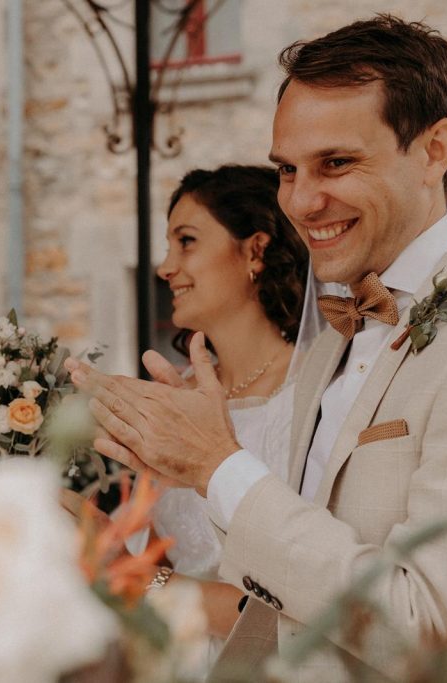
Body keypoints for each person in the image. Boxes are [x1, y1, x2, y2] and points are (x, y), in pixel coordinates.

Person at [68, 15, 447, 681]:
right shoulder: (333, 340)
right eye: (286, 169)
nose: (301, 201)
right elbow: (297, 597)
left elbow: (433, 630)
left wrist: (220, 467)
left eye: (336, 162)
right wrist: (183, 482)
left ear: (435, 150)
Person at [140, 165, 310, 646]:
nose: (165, 267)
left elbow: (302, 599)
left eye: (186, 241)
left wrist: (143, 585)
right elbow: (151, 563)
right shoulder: (175, 398)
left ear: (255, 249)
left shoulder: (315, 394)